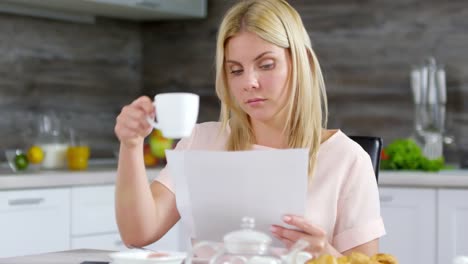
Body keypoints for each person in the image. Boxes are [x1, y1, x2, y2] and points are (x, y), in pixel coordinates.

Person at [114, 0, 385, 258]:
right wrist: (131, 145)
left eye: (266, 65)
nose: (249, 82)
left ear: (303, 63)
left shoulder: (347, 159)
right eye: (235, 70)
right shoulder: (201, 141)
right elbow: (138, 234)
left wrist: (326, 255)